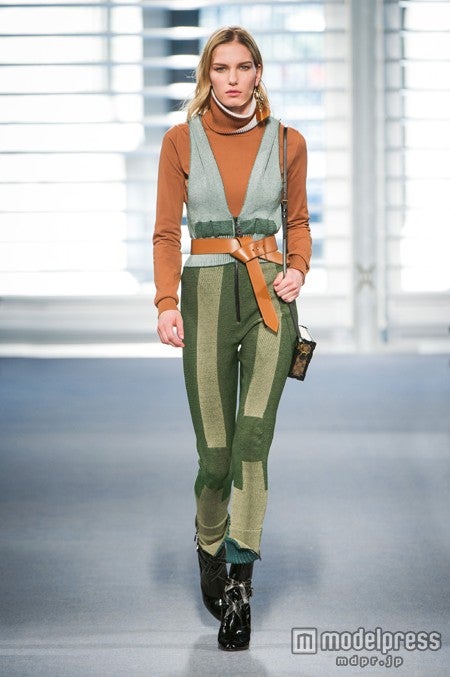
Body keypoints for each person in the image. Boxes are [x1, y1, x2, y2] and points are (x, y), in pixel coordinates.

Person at [153, 26, 311, 651]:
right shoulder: (179, 141)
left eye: (244, 67)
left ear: (258, 73)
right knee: (216, 457)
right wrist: (166, 302)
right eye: (221, 68)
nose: (234, 79)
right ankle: (209, 541)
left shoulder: (288, 141)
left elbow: (297, 220)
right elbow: (167, 233)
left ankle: (240, 588)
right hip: (206, 299)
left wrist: (298, 267)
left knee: (250, 445)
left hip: (272, 301)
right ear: (207, 76)